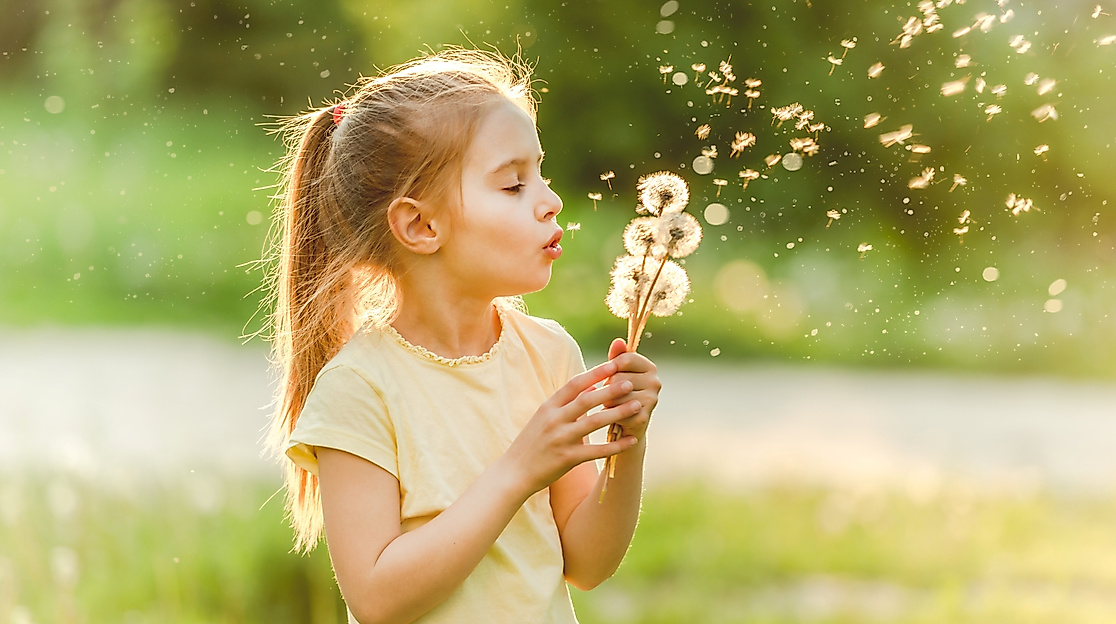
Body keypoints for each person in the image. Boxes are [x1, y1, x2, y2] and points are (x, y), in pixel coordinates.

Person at [264, 48, 661, 624]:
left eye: (541, 174)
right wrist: (519, 470)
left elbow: (589, 562)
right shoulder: (360, 387)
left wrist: (629, 442)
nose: (551, 201)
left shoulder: (548, 355)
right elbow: (377, 598)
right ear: (422, 226)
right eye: (513, 185)